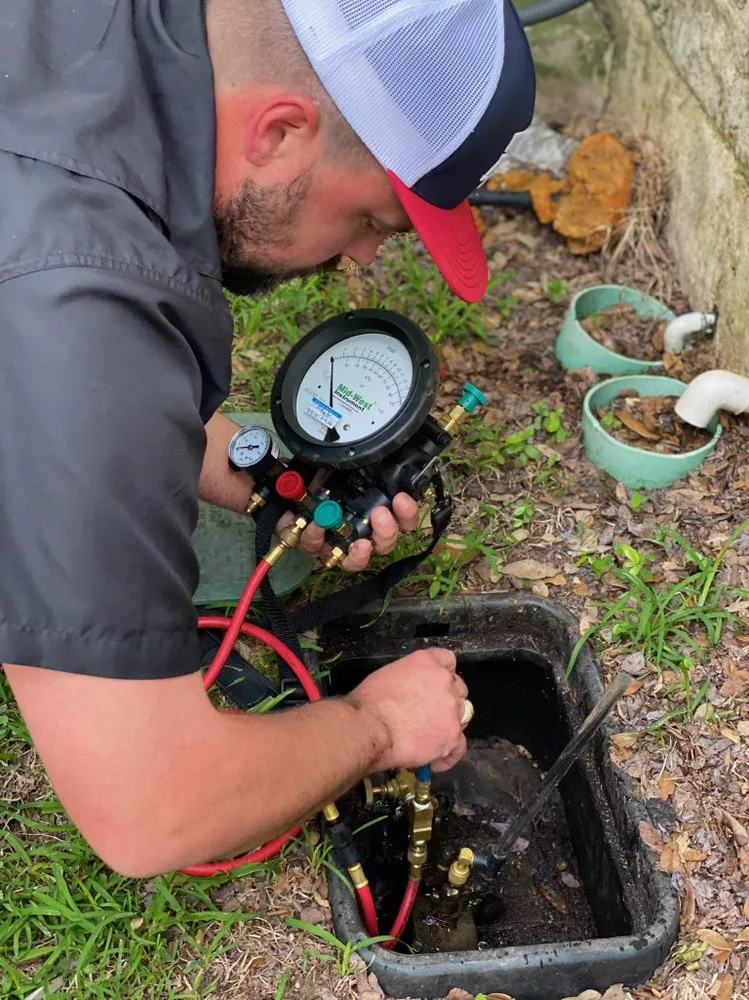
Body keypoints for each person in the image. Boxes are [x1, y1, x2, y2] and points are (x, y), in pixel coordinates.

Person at [0, 0, 535, 876]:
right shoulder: (79, 319)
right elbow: (153, 813)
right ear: (280, 132)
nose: (362, 257)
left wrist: (274, 484)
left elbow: (84, 405)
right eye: (371, 220)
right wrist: (380, 724)